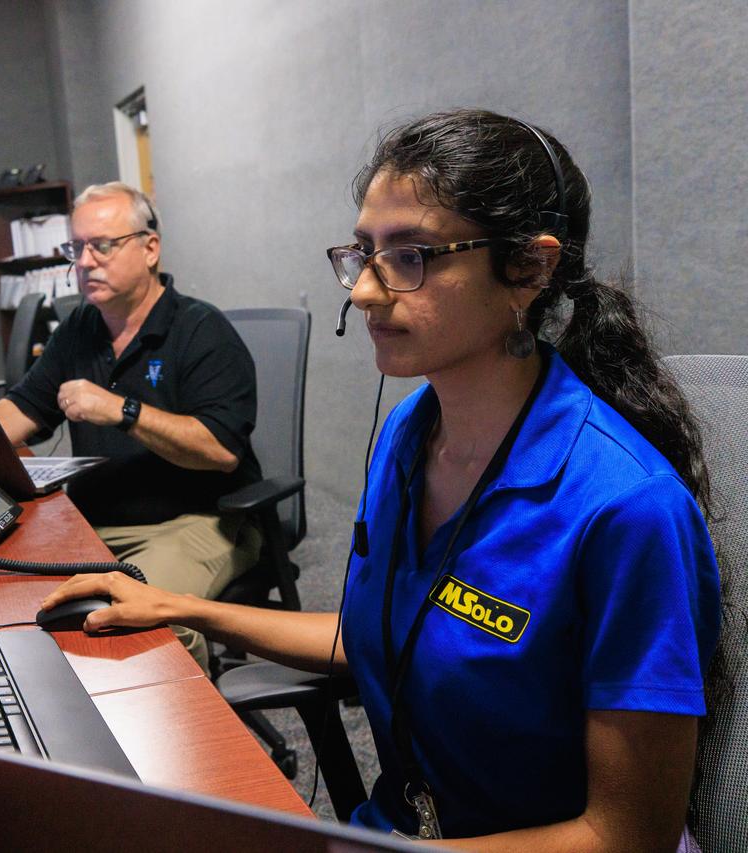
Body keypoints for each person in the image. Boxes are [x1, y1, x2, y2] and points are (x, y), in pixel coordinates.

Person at [39, 111, 721, 851]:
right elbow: (385, 636)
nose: (364, 291)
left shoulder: (627, 509)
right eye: (363, 253)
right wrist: (183, 607)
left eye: (411, 256)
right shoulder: (409, 434)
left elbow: (628, 834)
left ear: (529, 267)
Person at [0, 182, 263, 674]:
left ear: (150, 248)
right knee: (9, 600)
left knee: (148, 619)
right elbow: (20, 412)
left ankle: (199, 745)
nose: (86, 261)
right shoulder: (81, 328)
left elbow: (221, 450)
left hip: (197, 522)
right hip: (95, 525)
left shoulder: (201, 330)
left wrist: (123, 410)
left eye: (103, 245)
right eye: (76, 248)